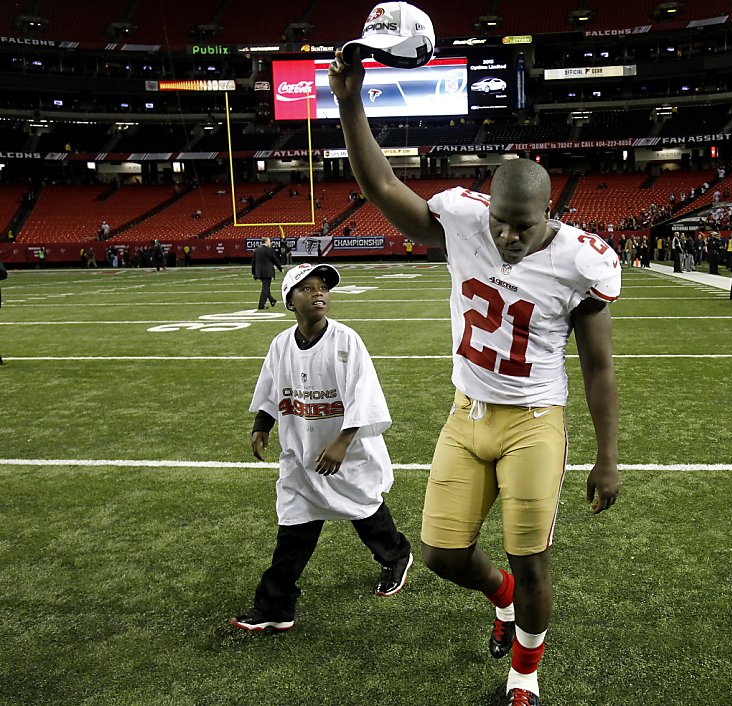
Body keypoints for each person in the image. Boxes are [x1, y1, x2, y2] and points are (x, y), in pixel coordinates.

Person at [330, 52, 621, 706]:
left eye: (523, 226)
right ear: (484, 207)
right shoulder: (464, 219)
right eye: (500, 223)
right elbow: (382, 190)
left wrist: (606, 458)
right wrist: (350, 104)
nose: (509, 238)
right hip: (466, 415)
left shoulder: (580, 260)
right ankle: (503, 601)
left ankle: (524, 680)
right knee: (441, 553)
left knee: (531, 557)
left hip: (534, 420)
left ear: (550, 214)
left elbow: (598, 366)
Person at [231, 262, 413, 632]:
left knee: (365, 511)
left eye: (323, 287)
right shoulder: (281, 345)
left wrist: (342, 443)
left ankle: (397, 555)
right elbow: (270, 388)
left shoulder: (346, 341)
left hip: (348, 454)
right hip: (301, 455)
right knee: (294, 529)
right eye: (307, 288)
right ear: (289, 301)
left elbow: (366, 396)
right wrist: (262, 426)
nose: (319, 293)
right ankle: (275, 607)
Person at [252, 236, 283, 309]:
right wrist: (280, 268)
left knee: (265, 287)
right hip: (267, 272)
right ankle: (261, 305)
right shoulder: (269, 250)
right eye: (269, 241)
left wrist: (253, 273)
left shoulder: (257, 250)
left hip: (259, 272)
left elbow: (253, 263)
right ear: (266, 242)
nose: (270, 243)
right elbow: (275, 260)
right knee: (265, 288)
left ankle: (272, 300)